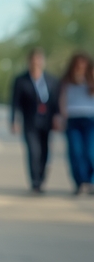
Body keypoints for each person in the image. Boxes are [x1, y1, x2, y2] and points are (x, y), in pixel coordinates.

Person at [11, 48, 57, 194]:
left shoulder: (51, 80)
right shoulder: (21, 80)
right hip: (30, 121)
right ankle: (35, 182)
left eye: (39, 59)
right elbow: (15, 102)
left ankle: (41, 178)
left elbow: (56, 101)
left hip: (46, 121)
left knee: (44, 151)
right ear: (29, 61)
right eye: (33, 59)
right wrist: (13, 120)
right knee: (33, 151)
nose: (36, 62)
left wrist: (58, 117)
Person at [58, 52, 94, 195]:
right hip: (73, 119)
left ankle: (91, 182)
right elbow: (62, 100)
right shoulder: (66, 81)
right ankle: (80, 182)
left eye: (83, 64)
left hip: (91, 119)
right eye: (78, 64)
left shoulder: (91, 78)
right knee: (75, 152)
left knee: (91, 152)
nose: (81, 67)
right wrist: (61, 117)